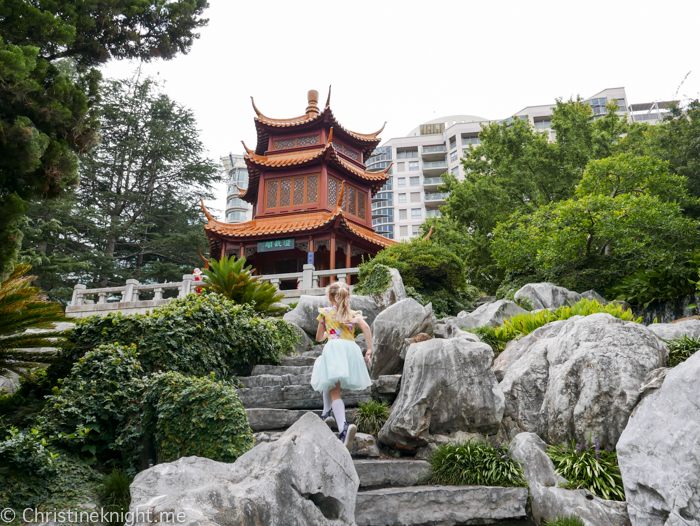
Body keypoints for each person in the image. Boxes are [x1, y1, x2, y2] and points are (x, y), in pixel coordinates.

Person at [310, 281, 373, 451]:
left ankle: (343, 430)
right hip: (350, 349)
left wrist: (328, 334)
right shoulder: (353, 314)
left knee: (333, 388)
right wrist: (369, 350)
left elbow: (319, 337)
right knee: (326, 375)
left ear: (330, 297)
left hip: (334, 348)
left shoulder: (326, 313)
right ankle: (326, 413)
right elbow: (366, 327)